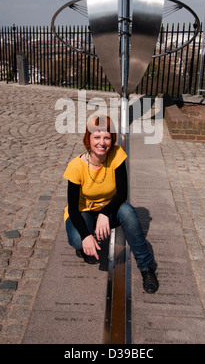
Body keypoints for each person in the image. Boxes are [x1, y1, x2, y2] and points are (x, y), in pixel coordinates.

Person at [63, 115, 158, 294]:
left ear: (112, 139)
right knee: (77, 240)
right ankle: (84, 246)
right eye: (96, 137)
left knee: (128, 211)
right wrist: (86, 236)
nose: (102, 142)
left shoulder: (116, 155)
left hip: (111, 209)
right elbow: (73, 208)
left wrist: (104, 214)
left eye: (106, 137)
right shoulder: (75, 167)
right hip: (84, 212)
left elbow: (122, 193)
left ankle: (146, 267)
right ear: (88, 138)